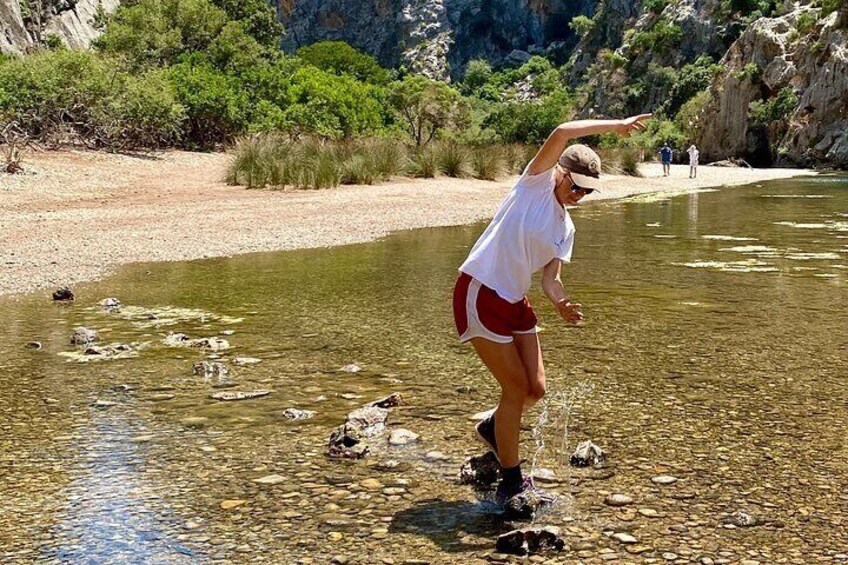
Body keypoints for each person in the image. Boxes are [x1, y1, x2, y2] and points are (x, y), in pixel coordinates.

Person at [452, 113, 652, 502]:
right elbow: (561, 132)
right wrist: (616, 127)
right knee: (514, 388)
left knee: (536, 389)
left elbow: (550, 279)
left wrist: (561, 303)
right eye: (576, 186)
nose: (579, 195)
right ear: (560, 173)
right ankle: (512, 480)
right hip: (480, 290)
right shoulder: (534, 186)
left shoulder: (566, 228)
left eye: (587, 192)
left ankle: (495, 429)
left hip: (515, 301)